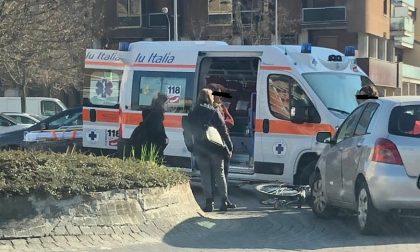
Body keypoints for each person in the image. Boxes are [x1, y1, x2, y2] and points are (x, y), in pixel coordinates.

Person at [187, 88, 234, 212]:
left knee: (205, 176)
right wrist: (229, 146)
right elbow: (223, 130)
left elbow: (187, 131)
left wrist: (190, 146)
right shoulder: (214, 112)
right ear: (209, 98)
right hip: (215, 148)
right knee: (220, 173)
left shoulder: (193, 112)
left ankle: (209, 203)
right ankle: (223, 201)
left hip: (200, 148)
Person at [206, 83, 236, 209]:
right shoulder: (208, 108)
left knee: (225, 173)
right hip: (213, 143)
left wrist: (223, 123)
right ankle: (212, 201)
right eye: (217, 93)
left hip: (222, 142)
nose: (220, 96)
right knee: (213, 174)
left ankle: (225, 199)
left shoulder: (222, 107)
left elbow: (231, 121)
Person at [130, 93, 169, 161]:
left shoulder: (150, 114)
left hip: (141, 148)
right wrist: (164, 140)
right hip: (148, 152)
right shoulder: (156, 116)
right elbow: (156, 134)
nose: (168, 105)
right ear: (161, 104)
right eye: (166, 103)